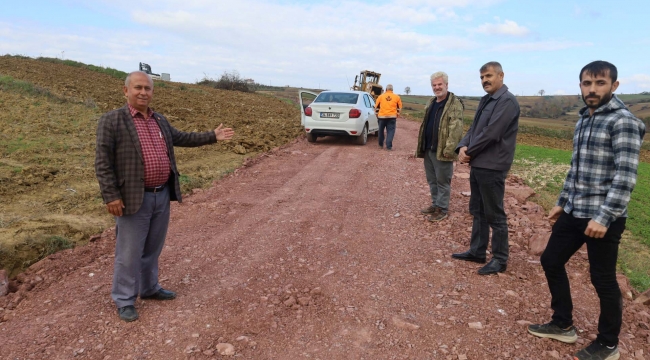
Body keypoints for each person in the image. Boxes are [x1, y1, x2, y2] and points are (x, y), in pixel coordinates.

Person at [95, 71, 235, 322]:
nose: (143, 92)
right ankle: (124, 299)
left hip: (162, 195)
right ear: (126, 91)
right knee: (129, 253)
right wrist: (110, 196)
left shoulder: (159, 120)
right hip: (132, 198)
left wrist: (212, 136)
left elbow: (181, 138)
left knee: (152, 248)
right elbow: (103, 163)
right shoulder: (113, 121)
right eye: (137, 88)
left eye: (147, 88)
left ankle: (149, 289)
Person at [528, 61, 645, 360]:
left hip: (604, 217)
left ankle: (608, 344)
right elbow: (576, 168)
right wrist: (562, 201)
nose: (592, 89)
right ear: (580, 85)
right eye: (586, 83)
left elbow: (625, 177)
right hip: (575, 210)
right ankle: (563, 323)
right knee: (552, 260)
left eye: (599, 83)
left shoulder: (624, 122)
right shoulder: (584, 119)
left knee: (602, 280)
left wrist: (604, 218)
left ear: (614, 86)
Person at [451, 61, 519, 275]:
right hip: (479, 164)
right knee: (478, 210)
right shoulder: (487, 100)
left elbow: (492, 133)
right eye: (482, 77)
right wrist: (462, 146)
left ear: (501, 75)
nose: (485, 81)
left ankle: (500, 258)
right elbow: (474, 129)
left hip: (493, 166)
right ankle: (477, 251)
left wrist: (469, 152)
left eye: (488, 76)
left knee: (494, 214)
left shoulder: (507, 102)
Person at [415, 72, 464, 222]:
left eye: (439, 84)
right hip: (429, 148)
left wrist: (449, 149)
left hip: (443, 150)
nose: (437, 88)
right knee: (432, 180)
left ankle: (442, 209)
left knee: (442, 181)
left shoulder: (454, 103)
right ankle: (435, 204)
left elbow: (456, 129)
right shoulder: (431, 102)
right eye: (434, 85)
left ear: (446, 85)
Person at [374, 84, 402, 150]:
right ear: (392, 90)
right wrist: (396, 115)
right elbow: (399, 108)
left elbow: (376, 107)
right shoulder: (397, 97)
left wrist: (377, 115)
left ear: (386, 89)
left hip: (381, 117)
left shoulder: (380, 97)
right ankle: (389, 146)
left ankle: (380, 145)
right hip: (392, 117)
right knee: (391, 131)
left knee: (380, 131)